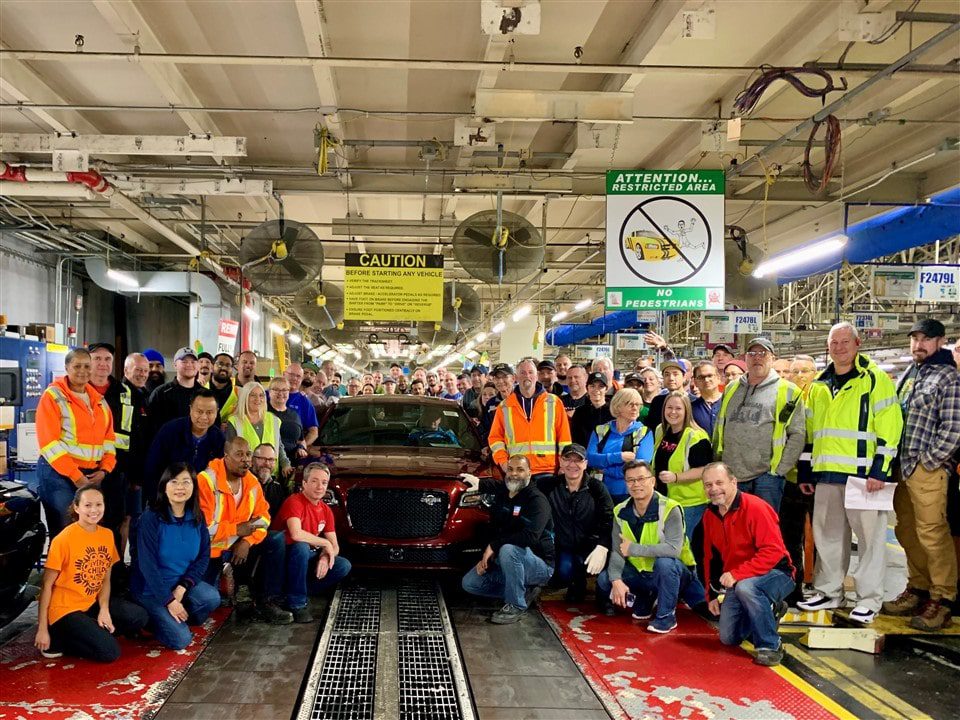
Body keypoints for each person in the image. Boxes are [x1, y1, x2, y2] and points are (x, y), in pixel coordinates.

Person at [796, 323, 903, 624]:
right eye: (834, 342)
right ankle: (829, 591)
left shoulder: (875, 380)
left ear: (857, 344)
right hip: (827, 474)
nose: (839, 348)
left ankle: (869, 599)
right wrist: (806, 470)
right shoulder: (818, 384)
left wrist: (881, 469)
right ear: (828, 347)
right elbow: (811, 431)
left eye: (845, 342)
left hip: (864, 475)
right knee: (827, 537)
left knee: (870, 541)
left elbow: (890, 427)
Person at [883, 319, 960, 629]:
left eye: (926, 339)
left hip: (926, 468)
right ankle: (918, 588)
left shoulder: (948, 376)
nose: (918, 344)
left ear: (940, 341)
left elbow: (954, 427)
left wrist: (930, 462)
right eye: (914, 338)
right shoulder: (911, 374)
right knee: (907, 530)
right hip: (903, 466)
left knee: (932, 533)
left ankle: (943, 598)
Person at [34, 485, 148, 662]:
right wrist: (42, 629)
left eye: (98, 504)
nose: (94, 510)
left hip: (90, 604)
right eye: (87, 505)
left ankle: (89, 630)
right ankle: (58, 637)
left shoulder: (107, 535)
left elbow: (105, 579)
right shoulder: (63, 540)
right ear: (76, 507)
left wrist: (104, 610)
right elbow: (46, 586)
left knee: (138, 617)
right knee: (110, 653)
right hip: (64, 610)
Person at [702, 462, 795, 666]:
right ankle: (769, 612)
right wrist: (710, 595)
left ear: (733, 482)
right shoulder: (710, 516)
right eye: (708, 485)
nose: (714, 489)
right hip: (741, 578)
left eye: (719, 482)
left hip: (777, 573)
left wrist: (737, 574)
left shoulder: (756, 508)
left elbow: (773, 552)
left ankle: (770, 646)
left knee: (747, 588)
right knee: (728, 638)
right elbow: (710, 557)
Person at [597, 460, 706, 633]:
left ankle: (666, 617)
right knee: (605, 580)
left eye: (641, 479)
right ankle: (645, 597)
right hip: (641, 573)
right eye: (631, 480)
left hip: (675, 573)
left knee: (665, 563)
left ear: (653, 481)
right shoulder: (620, 510)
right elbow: (618, 551)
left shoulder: (670, 508)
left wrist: (633, 549)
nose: (636, 484)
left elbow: (673, 549)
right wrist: (616, 580)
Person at [131, 464, 222, 649]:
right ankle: (152, 620)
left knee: (212, 597)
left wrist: (182, 588)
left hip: (179, 584)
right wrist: (169, 601)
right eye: (174, 482)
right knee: (181, 640)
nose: (180, 487)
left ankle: (176, 617)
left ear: (193, 487)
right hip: (152, 590)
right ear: (164, 486)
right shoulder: (151, 518)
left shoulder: (197, 517)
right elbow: (147, 566)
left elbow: (203, 557)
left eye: (186, 482)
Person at [713, 338, 805, 512]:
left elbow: (797, 433)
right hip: (731, 474)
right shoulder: (731, 388)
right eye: (752, 353)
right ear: (745, 358)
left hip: (767, 478)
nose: (757, 358)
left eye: (763, 353)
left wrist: (779, 470)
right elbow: (720, 426)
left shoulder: (789, 391)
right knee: (733, 527)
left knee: (763, 529)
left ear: (772, 358)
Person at [461, 454, 554, 624]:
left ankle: (516, 604)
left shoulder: (537, 501)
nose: (514, 474)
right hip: (509, 561)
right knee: (470, 583)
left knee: (508, 548)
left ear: (529, 473)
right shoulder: (505, 492)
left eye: (520, 470)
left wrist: (494, 546)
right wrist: (480, 483)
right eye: (510, 469)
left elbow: (531, 537)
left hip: (540, 565)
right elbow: (495, 485)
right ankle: (524, 591)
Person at [36, 348, 117, 538]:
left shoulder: (99, 402)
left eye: (87, 366)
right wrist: (75, 476)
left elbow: (109, 441)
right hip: (58, 475)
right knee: (66, 528)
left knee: (89, 527)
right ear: (66, 367)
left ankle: (83, 568)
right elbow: (49, 444)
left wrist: (105, 470)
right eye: (77, 366)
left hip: (91, 475)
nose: (83, 371)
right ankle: (62, 568)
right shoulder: (53, 396)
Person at [266, 463, 352, 623]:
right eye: (314, 481)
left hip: (305, 560)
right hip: (284, 558)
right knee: (301, 547)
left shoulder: (326, 510)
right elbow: (296, 534)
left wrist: (325, 557)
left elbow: (335, 546)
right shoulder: (294, 501)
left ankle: (296, 591)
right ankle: (297, 603)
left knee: (343, 565)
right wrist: (325, 544)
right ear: (304, 483)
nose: (320, 486)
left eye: (324, 482)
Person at [197, 438, 274, 602]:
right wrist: (237, 530)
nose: (245, 460)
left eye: (248, 454)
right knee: (207, 602)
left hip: (238, 546)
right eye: (239, 455)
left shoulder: (252, 482)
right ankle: (226, 585)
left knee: (276, 540)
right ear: (226, 456)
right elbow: (203, 529)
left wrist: (247, 541)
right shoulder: (206, 481)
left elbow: (264, 518)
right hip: (209, 551)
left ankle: (265, 600)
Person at [536, 444, 613, 602]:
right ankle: (572, 580)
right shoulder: (549, 485)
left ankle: (594, 587)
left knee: (595, 569)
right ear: (560, 461)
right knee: (564, 572)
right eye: (567, 459)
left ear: (585, 464)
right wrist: (483, 484)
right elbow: (521, 489)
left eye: (577, 460)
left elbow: (609, 518)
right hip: (562, 546)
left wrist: (602, 546)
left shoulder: (597, 488)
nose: (572, 465)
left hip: (589, 546)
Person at [88, 343, 141, 542]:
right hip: (83, 470)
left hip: (116, 470)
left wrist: (134, 474)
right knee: (86, 520)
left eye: (107, 359)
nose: (103, 364)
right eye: (97, 359)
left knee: (114, 521)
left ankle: (114, 569)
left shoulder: (125, 392)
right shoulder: (78, 390)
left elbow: (134, 434)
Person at [488, 358, 571, 480]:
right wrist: (504, 463)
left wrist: (564, 465)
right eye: (523, 373)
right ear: (516, 377)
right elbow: (495, 439)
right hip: (517, 471)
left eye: (531, 372)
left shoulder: (554, 402)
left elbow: (564, 438)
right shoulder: (504, 406)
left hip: (547, 470)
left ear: (536, 375)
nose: (527, 376)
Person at [143, 389, 225, 506]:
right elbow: (152, 467)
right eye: (199, 411)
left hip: (201, 503)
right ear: (190, 409)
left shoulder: (218, 438)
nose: (204, 417)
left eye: (209, 412)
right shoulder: (170, 431)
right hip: (166, 499)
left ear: (217, 412)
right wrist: (157, 500)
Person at [653, 391, 712, 539]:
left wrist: (676, 477)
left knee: (682, 547)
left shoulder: (696, 436)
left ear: (687, 410)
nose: (673, 412)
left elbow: (704, 470)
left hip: (689, 503)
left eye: (678, 408)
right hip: (665, 499)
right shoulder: (661, 430)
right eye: (669, 407)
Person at [587, 388, 653, 502]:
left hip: (629, 494)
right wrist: (619, 457)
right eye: (630, 404)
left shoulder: (644, 433)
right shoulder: (600, 430)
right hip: (598, 492)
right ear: (618, 406)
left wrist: (605, 470)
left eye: (638, 404)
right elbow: (590, 459)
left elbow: (639, 468)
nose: (635, 408)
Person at [119, 352, 151, 555]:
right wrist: (132, 474)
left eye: (145, 370)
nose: (142, 374)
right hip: (124, 471)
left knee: (134, 519)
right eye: (138, 370)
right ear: (126, 370)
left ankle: (133, 567)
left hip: (137, 472)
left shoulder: (142, 395)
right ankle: (120, 568)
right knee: (126, 519)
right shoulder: (122, 395)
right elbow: (126, 438)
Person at [226, 382, 292, 478]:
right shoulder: (234, 421)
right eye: (253, 395)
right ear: (245, 397)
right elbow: (230, 453)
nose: (258, 399)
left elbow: (279, 446)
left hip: (271, 476)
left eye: (261, 395)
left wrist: (286, 464)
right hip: (246, 477)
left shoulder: (273, 419)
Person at [147, 347, 200, 435]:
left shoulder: (206, 394)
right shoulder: (160, 393)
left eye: (193, 362)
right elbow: (152, 428)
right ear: (175, 365)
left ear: (198, 365)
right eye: (184, 361)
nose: (189, 365)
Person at [267, 377, 306, 463]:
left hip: (292, 464)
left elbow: (301, 440)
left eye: (284, 390)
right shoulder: (263, 413)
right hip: (270, 462)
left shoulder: (295, 416)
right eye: (276, 390)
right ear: (269, 392)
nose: (280, 393)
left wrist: (301, 448)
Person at [282, 363, 320, 448]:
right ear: (284, 374)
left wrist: (302, 447)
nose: (295, 378)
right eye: (291, 375)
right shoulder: (268, 395)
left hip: (291, 454)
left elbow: (314, 432)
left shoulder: (305, 402)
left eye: (298, 376)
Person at [571, 371, 613, 448]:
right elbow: (575, 439)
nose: (596, 390)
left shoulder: (614, 411)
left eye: (601, 386)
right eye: (592, 386)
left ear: (606, 389)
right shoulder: (580, 413)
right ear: (587, 388)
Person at [251, 443, 292, 519]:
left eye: (271, 460)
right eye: (262, 459)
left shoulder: (278, 488)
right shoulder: (242, 483)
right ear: (252, 460)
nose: (267, 463)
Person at [644, 361, 685, 429]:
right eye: (667, 374)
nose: (671, 378)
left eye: (675, 374)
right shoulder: (657, 401)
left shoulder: (692, 401)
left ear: (684, 377)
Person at [479, 363, 514, 441]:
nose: (500, 381)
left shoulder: (522, 400)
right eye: (497, 378)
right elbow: (485, 428)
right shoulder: (491, 403)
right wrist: (485, 445)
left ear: (513, 378)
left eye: (505, 377)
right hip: (497, 449)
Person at [691, 362, 723, 437]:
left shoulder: (729, 403)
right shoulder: (690, 408)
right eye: (701, 377)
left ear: (718, 378)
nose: (706, 380)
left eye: (710, 375)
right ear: (695, 382)